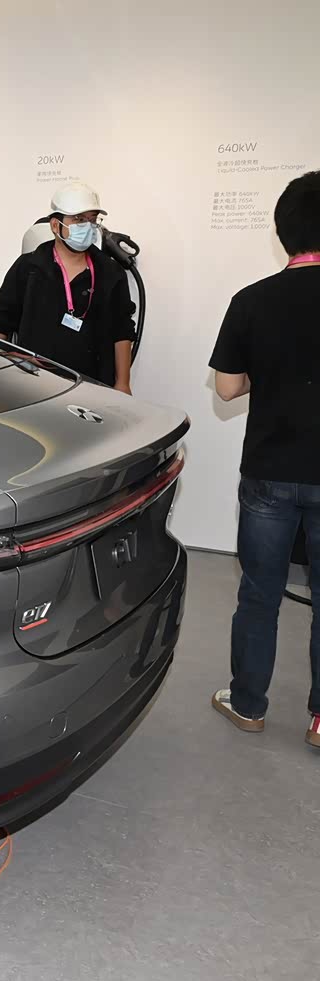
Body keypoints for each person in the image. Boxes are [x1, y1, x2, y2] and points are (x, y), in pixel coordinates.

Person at [209, 170, 320, 747]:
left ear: (282, 232)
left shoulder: (251, 299)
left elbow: (227, 388)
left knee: (259, 593)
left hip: (269, 471)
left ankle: (249, 703)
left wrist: (268, 376)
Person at [0, 182, 136, 393]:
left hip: (92, 389)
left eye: (92, 220)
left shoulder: (110, 271)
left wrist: (123, 384)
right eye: (79, 219)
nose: (88, 226)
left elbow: (122, 331)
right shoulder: (28, 267)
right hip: (31, 384)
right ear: (55, 226)